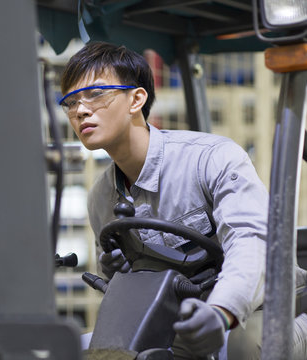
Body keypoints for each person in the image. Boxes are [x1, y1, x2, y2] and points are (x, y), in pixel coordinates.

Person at [59, 41, 307, 359]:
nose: (80, 110)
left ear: (136, 99)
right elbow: (122, 285)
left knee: (243, 347)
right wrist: (120, 274)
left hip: (274, 306)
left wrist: (222, 311)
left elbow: (253, 244)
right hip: (180, 320)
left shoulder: (212, 158)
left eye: (95, 94)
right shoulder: (100, 198)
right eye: (70, 101)